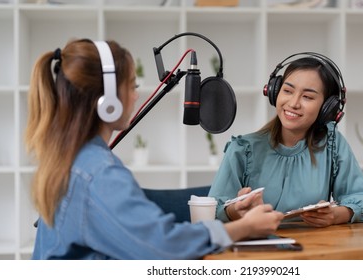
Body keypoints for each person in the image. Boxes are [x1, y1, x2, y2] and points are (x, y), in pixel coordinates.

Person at [25, 38, 283, 260]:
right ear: (108, 102)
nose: (136, 96)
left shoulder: (74, 158)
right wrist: (245, 228)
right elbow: (163, 246)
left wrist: (227, 212)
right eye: (132, 86)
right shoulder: (97, 173)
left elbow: (144, 225)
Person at [208, 53, 363, 227]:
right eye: (288, 91)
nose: (293, 103)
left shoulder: (332, 144)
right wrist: (234, 211)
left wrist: (337, 215)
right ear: (274, 92)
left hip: (314, 249)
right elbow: (210, 211)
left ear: (327, 108)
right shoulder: (242, 149)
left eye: (307, 97)